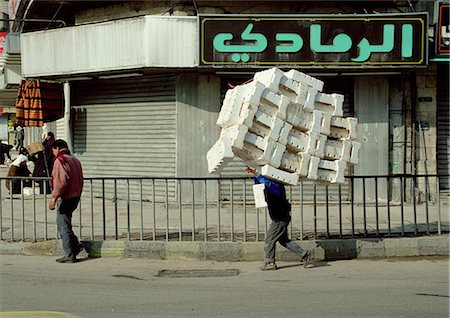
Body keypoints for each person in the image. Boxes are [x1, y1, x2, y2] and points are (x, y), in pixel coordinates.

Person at [246, 166, 311, 270]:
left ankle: (270, 263)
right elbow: (260, 184)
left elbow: (267, 185)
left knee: (269, 240)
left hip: (280, 218)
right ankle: (304, 254)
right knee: (283, 240)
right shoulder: (270, 184)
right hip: (279, 217)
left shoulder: (276, 186)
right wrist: (255, 174)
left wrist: (258, 175)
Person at [49, 139, 84, 263]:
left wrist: (54, 198)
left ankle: (69, 254)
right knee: (66, 223)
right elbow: (81, 179)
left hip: (66, 197)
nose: (53, 152)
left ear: (57, 148)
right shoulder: (75, 160)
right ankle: (76, 246)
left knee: (62, 225)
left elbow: (60, 181)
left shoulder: (60, 160)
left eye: (53, 149)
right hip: (75, 196)